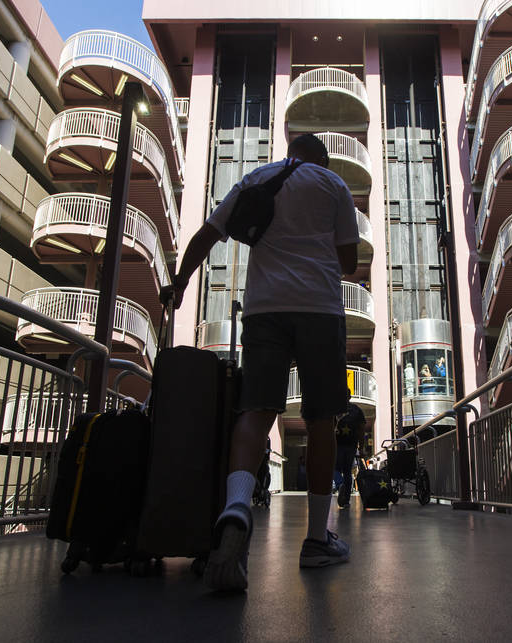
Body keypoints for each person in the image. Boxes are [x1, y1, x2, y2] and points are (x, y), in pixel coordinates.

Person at [162, 133, 359, 591]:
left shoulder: (258, 177)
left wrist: (180, 284)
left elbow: (208, 234)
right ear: (323, 160)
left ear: (292, 153)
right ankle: (315, 540)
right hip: (319, 310)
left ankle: (234, 508)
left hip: (264, 310)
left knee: (256, 411)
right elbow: (348, 263)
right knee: (321, 419)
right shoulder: (333, 186)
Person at [335, 389, 366, 508]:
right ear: (350, 397)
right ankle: (346, 500)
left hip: (336, 444)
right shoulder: (357, 410)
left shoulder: (334, 409)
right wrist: (361, 447)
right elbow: (361, 430)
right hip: (351, 445)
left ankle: (339, 485)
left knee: (335, 468)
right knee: (347, 471)